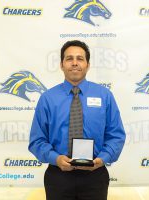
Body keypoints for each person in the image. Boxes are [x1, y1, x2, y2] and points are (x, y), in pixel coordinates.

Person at [28, 40, 125, 200]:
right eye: (69, 58)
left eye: (80, 58)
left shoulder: (104, 96)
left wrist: (103, 159)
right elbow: (37, 140)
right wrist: (56, 158)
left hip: (95, 176)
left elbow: (116, 135)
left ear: (87, 64)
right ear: (61, 64)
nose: (74, 63)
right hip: (58, 177)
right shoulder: (48, 98)